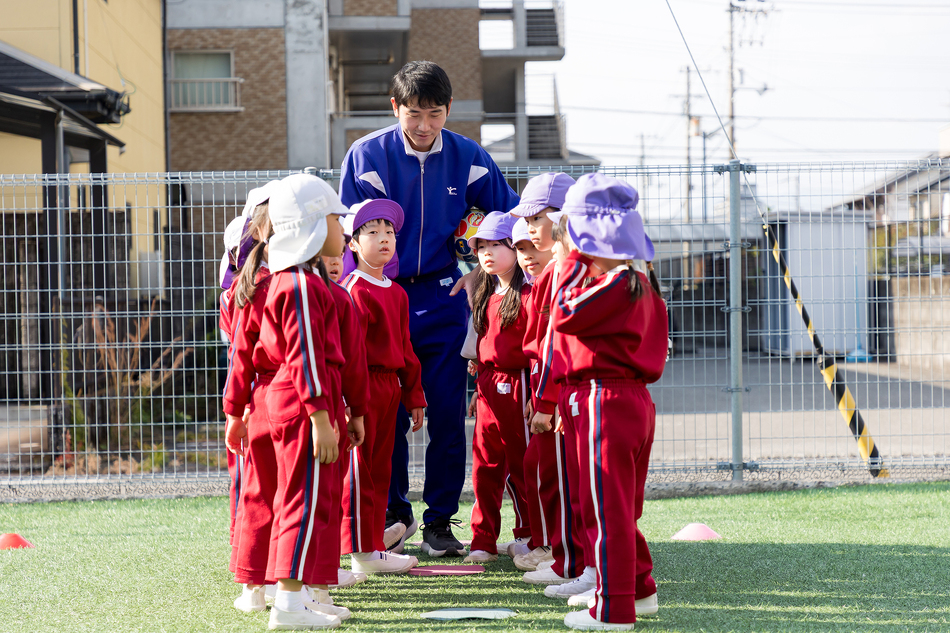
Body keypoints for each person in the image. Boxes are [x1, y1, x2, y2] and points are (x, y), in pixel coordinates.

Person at [339, 60, 519, 555]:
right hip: (381, 296)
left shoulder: (470, 157)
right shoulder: (365, 156)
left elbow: (507, 218)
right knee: (385, 413)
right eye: (413, 113)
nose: (423, 125)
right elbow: (349, 231)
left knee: (445, 412)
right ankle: (393, 516)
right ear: (395, 107)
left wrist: (481, 269)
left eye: (434, 113)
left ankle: (440, 521)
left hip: (444, 295)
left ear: (448, 109)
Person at [226, 173, 357, 631]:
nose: (342, 228)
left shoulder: (287, 280)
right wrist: (321, 417)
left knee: (286, 498)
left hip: (282, 397)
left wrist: (235, 409)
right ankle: (289, 603)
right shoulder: (300, 284)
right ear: (313, 224)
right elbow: (307, 355)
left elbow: (246, 353)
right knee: (304, 501)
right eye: (336, 219)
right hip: (302, 404)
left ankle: (286, 596)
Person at [547, 173, 666, 631]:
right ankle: (639, 589)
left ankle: (614, 610)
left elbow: (563, 313)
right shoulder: (638, 282)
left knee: (607, 511)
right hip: (626, 400)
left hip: (606, 400)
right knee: (618, 508)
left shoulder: (615, 282)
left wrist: (574, 259)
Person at [339, 199, 427, 573]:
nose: (384, 238)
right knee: (359, 468)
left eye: (389, 231)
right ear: (353, 243)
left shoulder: (397, 292)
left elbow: (406, 348)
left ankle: (372, 545)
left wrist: (414, 395)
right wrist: (351, 400)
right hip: (363, 387)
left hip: (390, 387)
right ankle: (358, 548)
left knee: (381, 468)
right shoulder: (353, 289)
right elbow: (350, 351)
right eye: (373, 232)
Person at [461, 211, 533, 563]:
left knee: (522, 466)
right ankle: (483, 540)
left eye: (496, 245)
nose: (486, 253)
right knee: (484, 466)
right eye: (481, 247)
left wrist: (536, 394)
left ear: (516, 248)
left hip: (520, 386)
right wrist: (479, 389)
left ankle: (531, 535)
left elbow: (535, 350)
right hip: (488, 387)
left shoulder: (529, 294)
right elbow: (482, 349)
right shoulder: (484, 293)